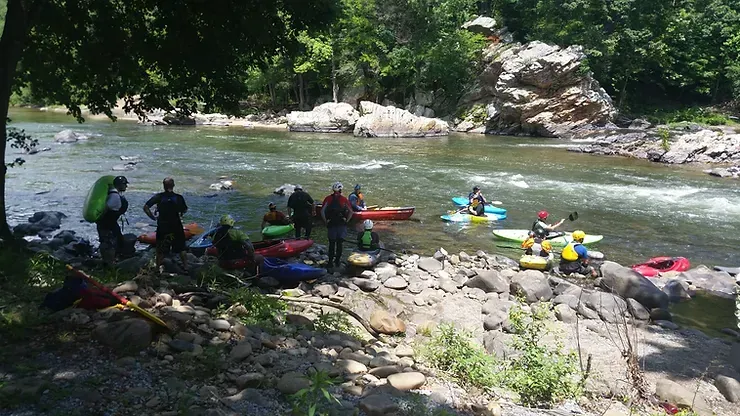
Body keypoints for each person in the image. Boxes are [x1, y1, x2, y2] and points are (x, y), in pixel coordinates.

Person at [144, 177, 189, 272]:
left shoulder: (159, 197)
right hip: (176, 225)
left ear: (163, 186)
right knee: (181, 248)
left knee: (160, 248)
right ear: (173, 185)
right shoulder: (178, 197)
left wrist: (152, 217)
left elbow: (146, 207)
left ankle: (157, 268)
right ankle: (185, 267)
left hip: (163, 226)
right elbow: (184, 210)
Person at [96, 176, 129, 266]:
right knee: (109, 243)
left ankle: (110, 260)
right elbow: (106, 208)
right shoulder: (115, 197)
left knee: (115, 240)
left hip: (108, 223)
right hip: (107, 224)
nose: (126, 186)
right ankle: (109, 263)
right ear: (120, 185)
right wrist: (100, 219)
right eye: (125, 184)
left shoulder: (111, 193)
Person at [321, 182, 353, 268]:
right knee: (339, 244)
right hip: (341, 224)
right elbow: (351, 212)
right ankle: (337, 262)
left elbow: (322, 211)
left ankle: (330, 262)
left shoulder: (328, 198)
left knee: (331, 244)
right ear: (340, 190)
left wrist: (325, 222)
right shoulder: (344, 199)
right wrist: (347, 221)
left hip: (331, 224)